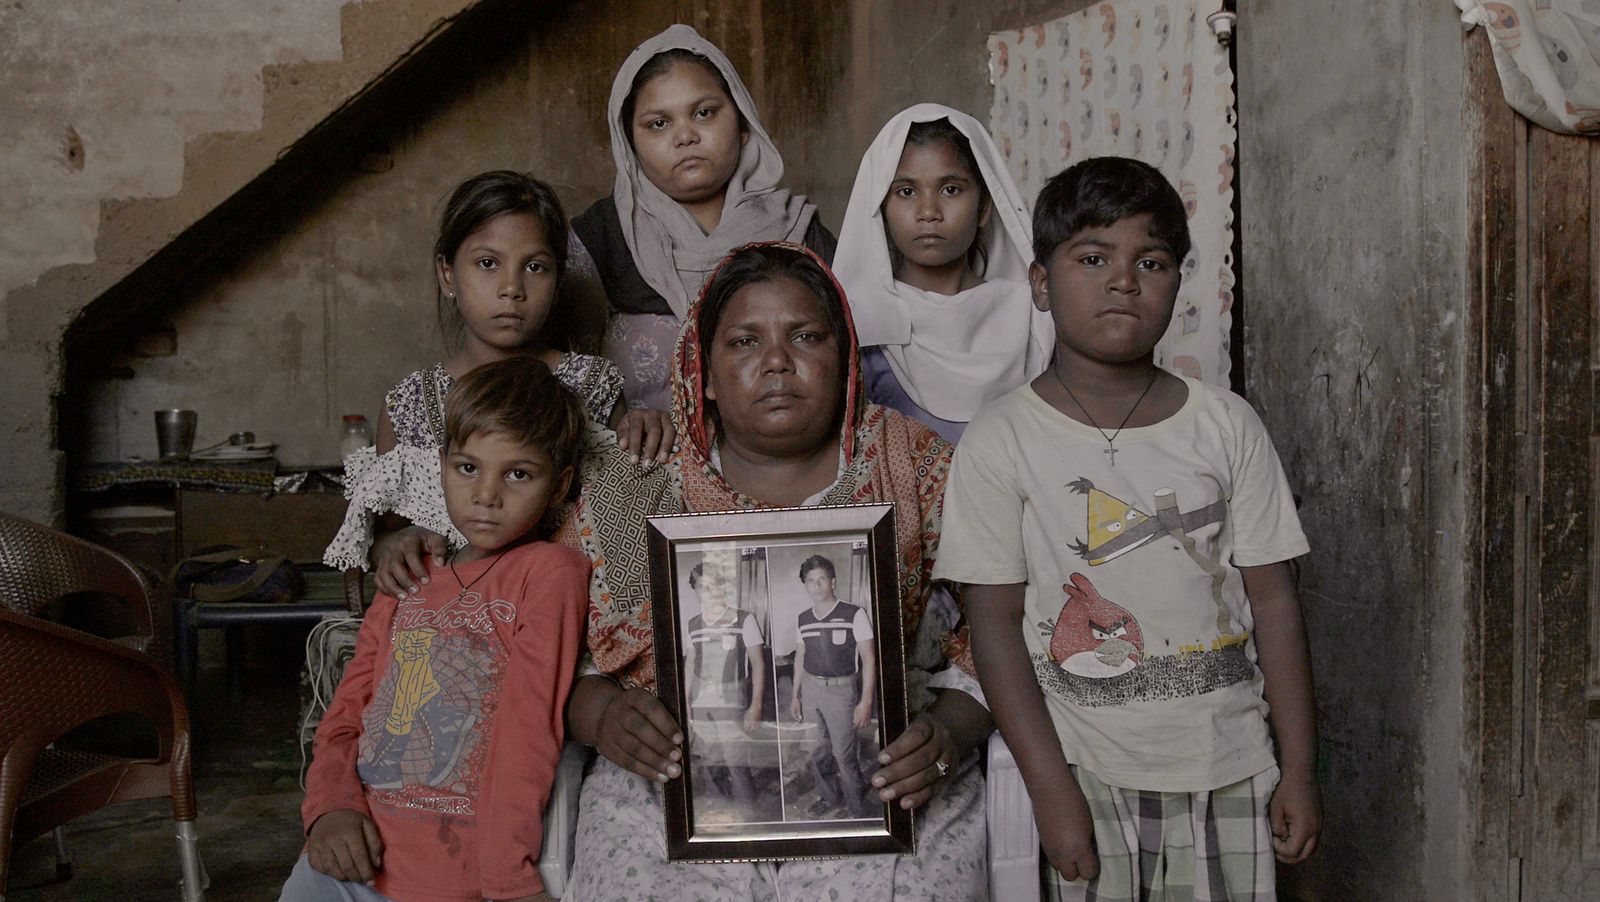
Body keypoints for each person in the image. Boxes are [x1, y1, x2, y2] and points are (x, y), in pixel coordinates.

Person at [935, 157, 1321, 900]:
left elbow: (1274, 601)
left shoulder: (1226, 425)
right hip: (1086, 771)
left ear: (1177, 281)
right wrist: (1051, 790)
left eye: (1151, 262)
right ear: (1041, 283)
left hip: (1232, 760)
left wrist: (1299, 769)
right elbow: (994, 625)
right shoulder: (1001, 439)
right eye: (1092, 258)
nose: (1123, 280)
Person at [558, 242, 991, 899]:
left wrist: (949, 734)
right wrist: (604, 718)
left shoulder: (912, 462)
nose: (778, 361)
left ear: (845, 357)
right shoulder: (634, 484)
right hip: (667, 786)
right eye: (744, 342)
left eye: (807, 336)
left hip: (888, 778)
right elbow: (549, 651)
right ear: (704, 372)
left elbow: (1007, 627)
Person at [282, 356, 591, 902]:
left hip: (455, 876)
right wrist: (329, 808)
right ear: (442, 464)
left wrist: (508, 878)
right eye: (468, 468)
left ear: (559, 484)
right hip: (344, 859)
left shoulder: (549, 573)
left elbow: (529, 724)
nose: (487, 495)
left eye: (518, 474)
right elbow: (346, 713)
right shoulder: (409, 572)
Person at [324, 170, 673, 597]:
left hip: (564, 607)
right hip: (449, 613)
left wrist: (647, 429)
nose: (512, 288)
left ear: (558, 279)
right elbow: (386, 536)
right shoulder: (410, 404)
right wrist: (396, 545)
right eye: (488, 263)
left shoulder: (593, 385)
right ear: (447, 274)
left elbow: (626, 512)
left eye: (535, 267)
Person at [571, 24, 836, 412]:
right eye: (659, 123)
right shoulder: (597, 240)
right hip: (635, 450)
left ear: (743, 124)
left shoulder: (799, 231)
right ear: (628, 143)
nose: (685, 136)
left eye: (704, 113)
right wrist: (623, 420)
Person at [833, 104, 1053, 444]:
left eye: (950, 189)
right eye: (906, 192)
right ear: (880, 209)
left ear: (984, 207)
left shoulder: (1034, 316)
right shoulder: (863, 327)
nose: (928, 212)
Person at [788, 553, 877, 819]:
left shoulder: (854, 614)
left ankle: (856, 806)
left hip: (842, 691)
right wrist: (795, 696)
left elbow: (869, 659)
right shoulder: (803, 619)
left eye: (822, 579)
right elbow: (800, 658)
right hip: (811, 689)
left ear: (833, 582)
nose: (816, 586)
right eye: (810, 581)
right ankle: (829, 796)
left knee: (843, 753)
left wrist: (865, 701)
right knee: (818, 750)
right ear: (805, 585)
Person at [682, 553, 768, 815]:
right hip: (701, 696)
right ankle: (721, 807)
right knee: (709, 757)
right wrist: (687, 702)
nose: (708, 592)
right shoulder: (693, 624)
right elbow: (690, 663)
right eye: (701, 586)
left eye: (713, 585)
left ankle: (748, 813)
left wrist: (755, 706)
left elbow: (758, 664)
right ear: (695, 591)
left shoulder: (744, 619)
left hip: (731, 694)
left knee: (735, 759)